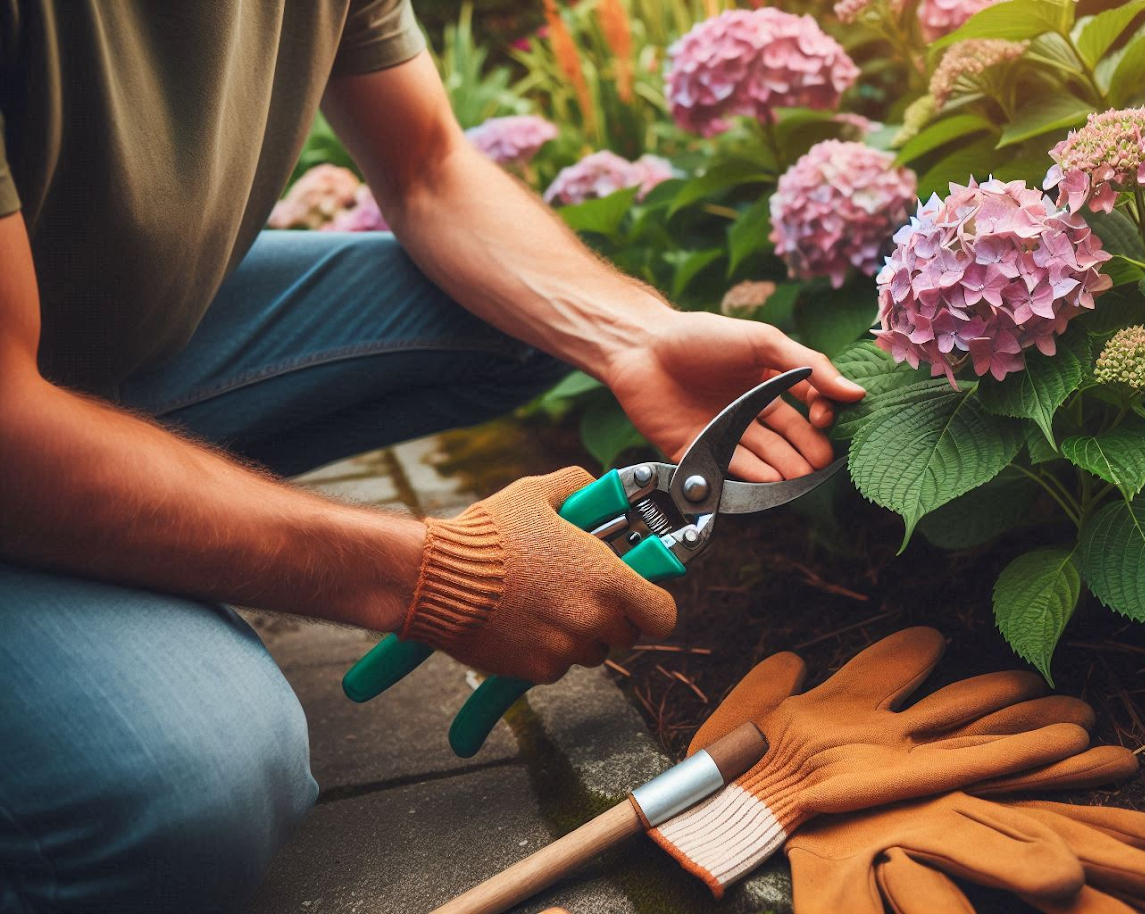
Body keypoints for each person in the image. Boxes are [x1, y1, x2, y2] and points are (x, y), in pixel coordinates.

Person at [0, 3, 864, 911]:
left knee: (514, 315)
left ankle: (121, 515)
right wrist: (440, 575)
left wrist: (633, 337)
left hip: (84, 344)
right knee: (190, 792)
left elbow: (428, 167)